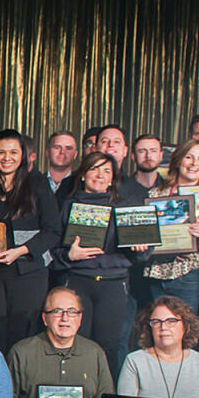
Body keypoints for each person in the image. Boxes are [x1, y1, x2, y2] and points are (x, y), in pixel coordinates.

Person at [0, 130, 61, 352]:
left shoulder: (37, 184)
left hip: (27, 273)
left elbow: (53, 231)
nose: (7, 158)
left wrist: (20, 251)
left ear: (23, 155)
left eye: (13, 152)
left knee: (23, 336)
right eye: (1, 152)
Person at [51, 151, 141, 374]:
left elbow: (139, 256)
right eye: (94, 169)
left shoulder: (126, 207)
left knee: (108, 348)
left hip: (113, 285)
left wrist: (140, 248)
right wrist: (69, 256)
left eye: (106, 171)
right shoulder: (67, 206)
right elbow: (51, 250)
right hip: (78, 282)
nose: (100, 175)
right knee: (74, 344)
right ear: (83, 174)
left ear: (112, 178)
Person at [142, 140, 199, 315]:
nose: (194, 164)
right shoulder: (156, 194)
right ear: (178, 161)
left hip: (190, 274)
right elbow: (144, 232)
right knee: (155, 326)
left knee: (187, 329)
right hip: (156, 273)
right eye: (188, 157)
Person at [119, 296, 199, 398]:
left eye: (171, 321)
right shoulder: (135, 361)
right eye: (157, 322)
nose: (163, 327)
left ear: (185, 326)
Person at [43, 130, 80, 196]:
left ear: (75, 154)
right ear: (48, 152)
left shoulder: (80, 186)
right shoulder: (32, 183)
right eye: (57, 147)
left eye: (68, 148)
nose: (62, 152)